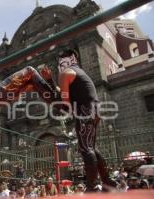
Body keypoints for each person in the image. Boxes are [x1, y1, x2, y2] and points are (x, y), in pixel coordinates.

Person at [56, 48, 117, 192]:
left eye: (61, 61)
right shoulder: (80, 72)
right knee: (91, 147)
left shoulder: (67, 73)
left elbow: (65, 101)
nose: (60, 65)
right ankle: (107, 181)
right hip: (93, 111)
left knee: (86, 148)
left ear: (70, 59)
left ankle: (92, 186)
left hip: (84, 111)